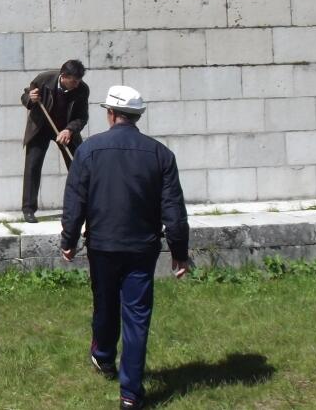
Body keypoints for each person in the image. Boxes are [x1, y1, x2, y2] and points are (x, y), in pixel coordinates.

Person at [60, 85, 191, 410]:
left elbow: (75, 199)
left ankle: (103, 355)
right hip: (141, 248)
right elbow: (173, 210)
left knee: (104, 302)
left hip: (102, 245)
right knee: (137, 316)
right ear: (137, 116)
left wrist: (68, 239)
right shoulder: (160, 154)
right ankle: (131, 395)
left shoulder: (89, 150)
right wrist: (179, 252)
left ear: (110, 114)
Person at [20, 59, 89, 223]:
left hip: (65, 129)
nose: (77, 84)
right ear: (63, 76)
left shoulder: (82, 89)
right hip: (41, 127)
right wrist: (31, 98)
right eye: (74, 81)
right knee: (33, 165)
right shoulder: (44, 79)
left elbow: (82, 116)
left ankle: (80, 207)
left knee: (78, 166)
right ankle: (28, 209)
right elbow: (26, 95)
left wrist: (70, 130)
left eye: (79, 80)